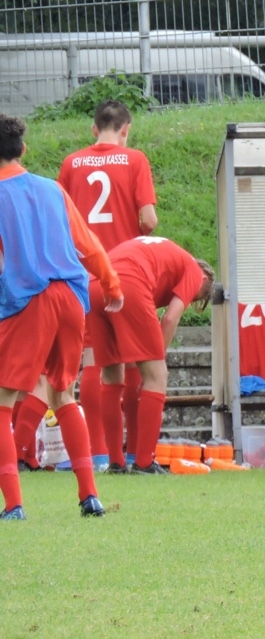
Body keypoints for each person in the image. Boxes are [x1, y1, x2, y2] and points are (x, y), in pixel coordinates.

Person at [0, 114, 123, 520]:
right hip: (71, 296)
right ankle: (90, 496)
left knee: (3, 400)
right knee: (62, 393)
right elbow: (87, 244)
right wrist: (112, 285)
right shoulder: (51, 189)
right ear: (24, 150)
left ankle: (14, 505)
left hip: (27, 298)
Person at [57, 99, 158, 469]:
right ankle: (134, 453)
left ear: (93, 129)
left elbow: (60, 216)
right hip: (126, 271)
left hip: (84, 274)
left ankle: (98, 452)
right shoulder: (135, 160)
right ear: (127, 130)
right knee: (132, 359)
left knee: (93, 358)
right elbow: (148, 219)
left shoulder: (72, 163)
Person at [87, 236, 215, 474]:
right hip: (129, 283)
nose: (189, 299)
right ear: (204, 279)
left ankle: (116, 462)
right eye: (196, 297)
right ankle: (144, 462)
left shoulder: (165, 255)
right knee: (157, 376)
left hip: (95, 283)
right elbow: (170, 318)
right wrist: (157, 362)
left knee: (111, 376)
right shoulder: (194, 272)